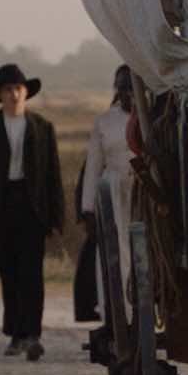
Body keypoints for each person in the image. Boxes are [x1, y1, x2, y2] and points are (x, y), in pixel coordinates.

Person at [0, 64, 65, 362]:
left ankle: (33, 335)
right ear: (0, 95)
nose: (14, 94)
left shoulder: (43, 128)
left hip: (32, 209)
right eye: (8, 89)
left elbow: (53, 175)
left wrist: (56, 219)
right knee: (9, 271)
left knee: (32, 274)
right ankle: (15, 334)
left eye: (18, 88)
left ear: (26, 92)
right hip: (1, 207)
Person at [73, 65, 137, 348]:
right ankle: (117, 316)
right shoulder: (105, 122)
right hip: (113, 194)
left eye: (133, 88)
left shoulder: (152, 118)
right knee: (115, 257)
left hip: (143, 193)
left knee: (141, 256)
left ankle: (142, 316)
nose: (127, 94)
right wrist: (88, 209)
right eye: (122, 88)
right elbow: (94, 167)